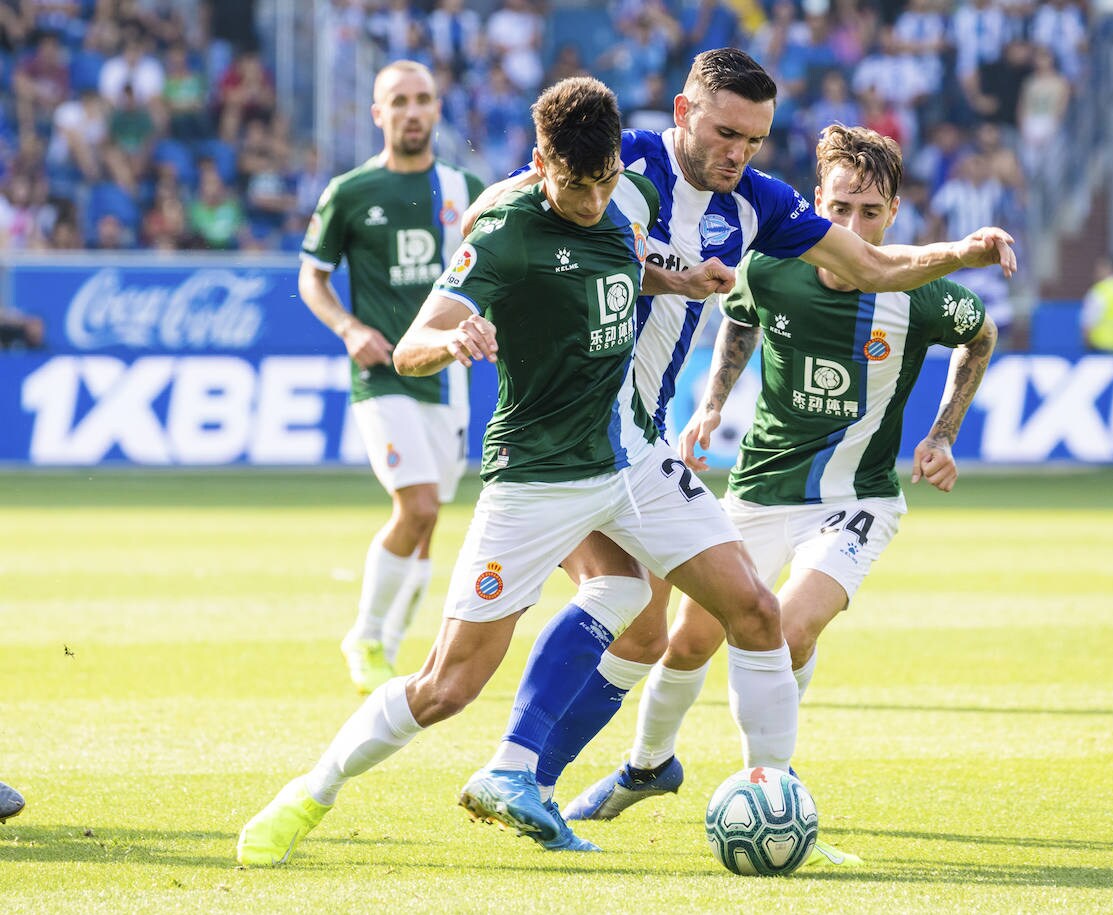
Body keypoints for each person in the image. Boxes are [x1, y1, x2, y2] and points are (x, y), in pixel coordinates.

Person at [459, 48, 1015, 862]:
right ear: (685, 112)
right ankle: (581, 770)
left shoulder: (776, 213)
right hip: (603, 437)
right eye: (727, 132)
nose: (739, 152)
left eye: (754, 140)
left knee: (753, 625)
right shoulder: (640, 167)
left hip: (769, 475)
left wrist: (960, 276)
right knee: (637, 634)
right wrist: (711, 389)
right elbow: (517, 201)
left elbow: (902, 286)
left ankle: (757, 793)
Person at [236, 75, 768, 864]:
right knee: (447, 688)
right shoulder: (505, 231)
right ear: (539, 162)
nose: (591, 202)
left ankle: (540, 773)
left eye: (603, 183)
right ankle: (308, 794)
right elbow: (415, 343)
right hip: (537, 477)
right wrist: (449, 344)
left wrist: (681, 281)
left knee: (731, 603)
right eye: (573, 187)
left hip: (629, 460)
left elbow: (615, 256)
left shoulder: (627, 199)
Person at [298, 60, 485, 694]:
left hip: (446, 376)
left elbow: (496, 269)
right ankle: (367, 637)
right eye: (398, 101)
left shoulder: (465, 188)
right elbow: (312, 275)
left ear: (437, 109)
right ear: (378, 113)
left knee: (430, 520)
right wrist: (350, 329)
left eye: (423, 99)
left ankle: (398, 648)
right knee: (419, 505)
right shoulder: (350, 192)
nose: (411, 111)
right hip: (381, 375)